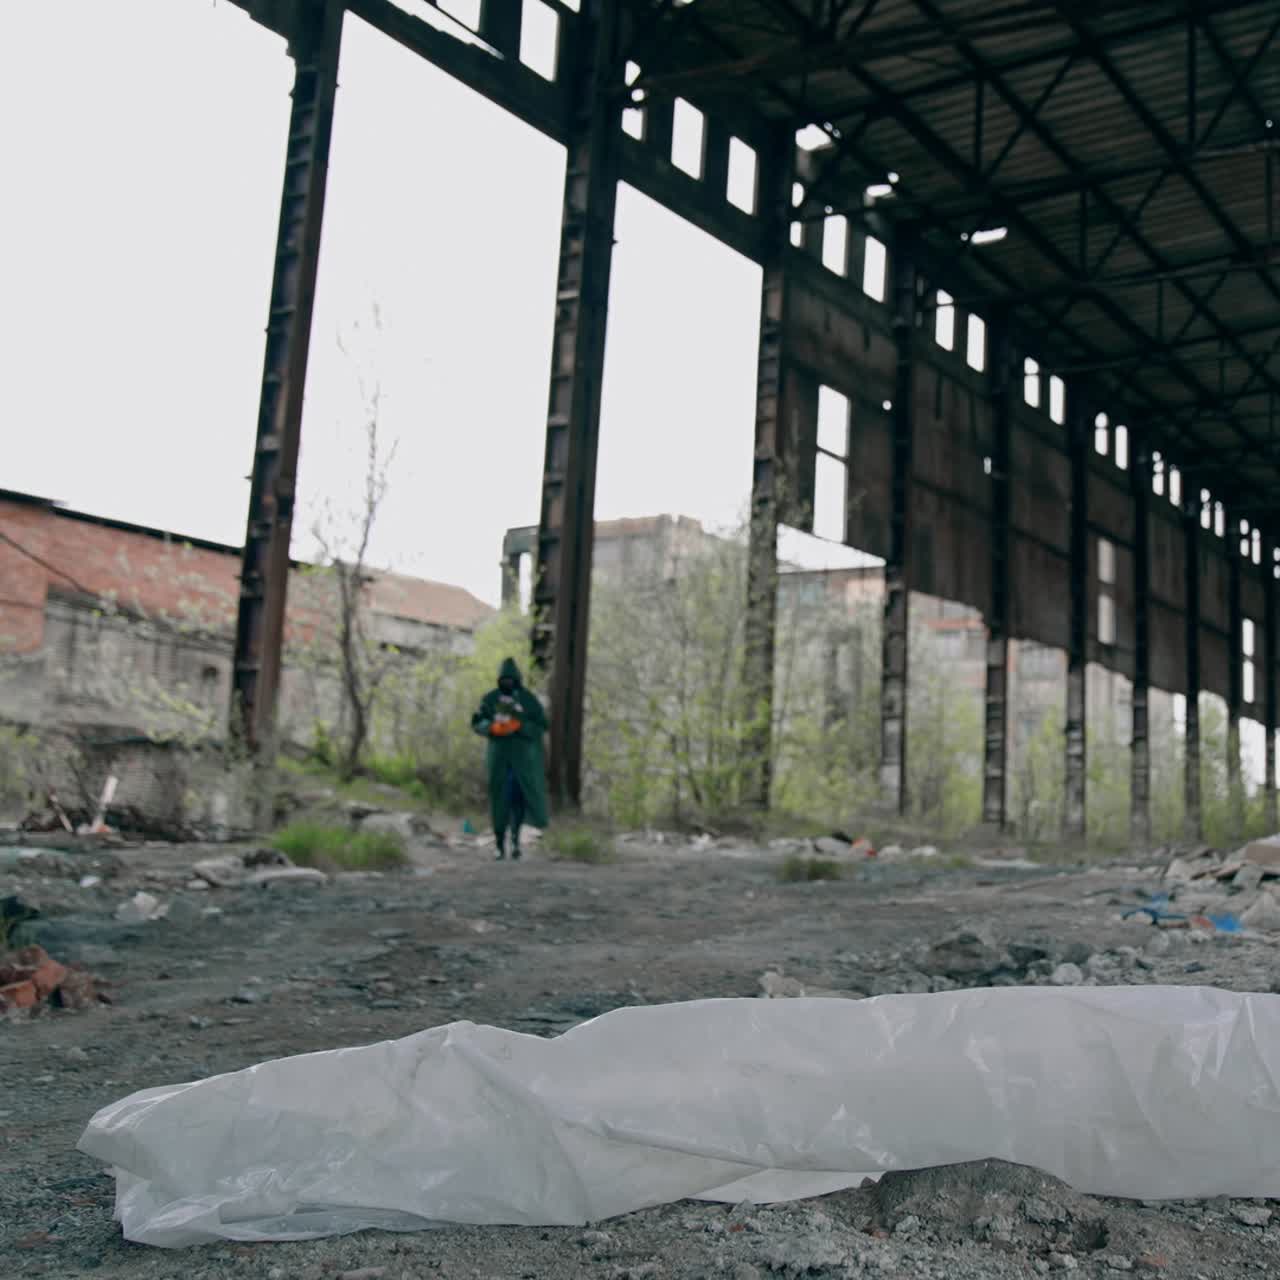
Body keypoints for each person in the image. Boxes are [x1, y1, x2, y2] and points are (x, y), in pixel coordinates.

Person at [471, 657, 549, 860]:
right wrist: (491, 727)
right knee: (499, 800)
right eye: (503, 679)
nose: (507, 683)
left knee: (518, 801)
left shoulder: (529, 700)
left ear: (517, 679)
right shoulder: (490, 699)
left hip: (522, 762)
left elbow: (542, 726)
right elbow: (477, 721)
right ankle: (499, 843)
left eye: (510, 679)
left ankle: (515, 841)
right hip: (498, 760)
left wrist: (521, 726)